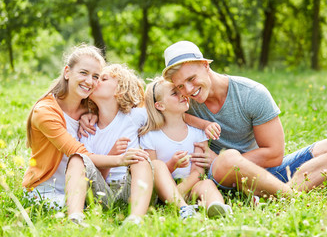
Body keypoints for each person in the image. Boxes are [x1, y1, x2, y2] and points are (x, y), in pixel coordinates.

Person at [162, 40, 327, 196]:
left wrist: (233, 161)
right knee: (227, 159)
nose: (187, 90)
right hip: (220, 173)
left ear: (205, 65)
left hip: (262, 171)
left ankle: (282, 193)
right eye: (179, 86)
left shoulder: (251, 93)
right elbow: (149, 105)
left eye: (191, 79)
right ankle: (290, 196)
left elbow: (275, 153)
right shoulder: (183, 104)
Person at [22, 44, 146, 224]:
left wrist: (91, 114)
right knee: (78, 159)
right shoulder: (45, 111)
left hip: (81, 187)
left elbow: (120, 107)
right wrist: (120, 159)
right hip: (48, 189)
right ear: (67, 72)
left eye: (96, 76)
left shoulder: (89, 107)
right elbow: (79, 154)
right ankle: (75, 216)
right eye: (83, 73)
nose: (89, 81)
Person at [80, 64, 198, 222]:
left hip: (135, 188)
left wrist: (204, 125)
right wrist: (111, 155)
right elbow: (90, 170)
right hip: (102, 193)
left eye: (103, 78)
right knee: (83, 161)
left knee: (140, 159)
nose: (95, 82)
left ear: (120, 90)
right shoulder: (88, 129)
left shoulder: (134, 116)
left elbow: (169, 112)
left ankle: (136, 218)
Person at [139, 77, 232, 218]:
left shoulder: (197, 132)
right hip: (164, 192)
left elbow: (198, 171)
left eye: (181, 90)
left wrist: (180, 190)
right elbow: (152, 174)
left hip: (191, 187)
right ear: (160, 106)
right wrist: (172, 165)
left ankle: (217, 207)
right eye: (174, 93)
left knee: (206, 183)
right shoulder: (150, 136)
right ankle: (183, 209)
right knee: (157, 165)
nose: (183, 94)